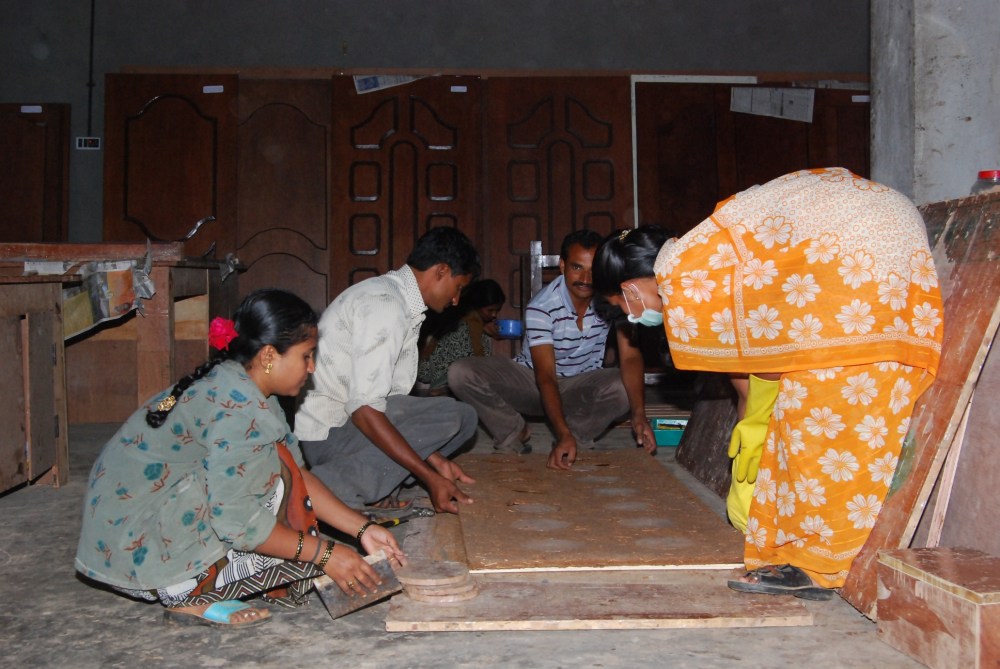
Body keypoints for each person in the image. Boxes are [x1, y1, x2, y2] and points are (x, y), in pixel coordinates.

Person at [592, 167, 943, 599]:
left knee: (823, 420)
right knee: (831, 406)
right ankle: (811, 554)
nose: (633, 317)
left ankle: (816, 565)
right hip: (884, 233)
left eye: (626, 306)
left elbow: (752, 382)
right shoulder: (699, 253)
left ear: (629, 288)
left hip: (861, 250)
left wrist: (756, 468)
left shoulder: (685, 278)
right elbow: (764, 368)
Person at [75, 289, 406, 629]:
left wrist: (363, 528)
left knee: (280, 480)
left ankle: (208, 569)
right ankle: (186, 593)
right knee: (274, 509)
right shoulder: (239, 412)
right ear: (268, 356)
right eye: (306, 355)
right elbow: (238, 522)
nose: (311, 367)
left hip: (124, 534)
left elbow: (298, 476)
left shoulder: (242, 386)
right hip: (133, 551)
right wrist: (325, 553)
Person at [295, 226, 481, 515]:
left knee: (465, 420)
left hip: (346, 428)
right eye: (458, 288)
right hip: (330, 437)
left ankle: (374, 486)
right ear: (441, 271)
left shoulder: (396, 298)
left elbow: (389, 405)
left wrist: (434, 459)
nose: (456, 300)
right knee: (455, 414)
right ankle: (330, 486)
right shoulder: (385, 306)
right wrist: (429, 477)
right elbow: (365, 410)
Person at [448, 229, 657, 469]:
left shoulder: (612, 300)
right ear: (562, 266)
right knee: (460, 373)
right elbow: (546, 377)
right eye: (577, 268)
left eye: (593, 270)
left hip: (580, 386)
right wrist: (560, 433)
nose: (586, 279)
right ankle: (513, 431)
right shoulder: (542, 307)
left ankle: (577, 436)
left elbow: (630, 357)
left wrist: (639, 414)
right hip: (532, 384)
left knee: (624, 386)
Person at [416, 278, 506, 394]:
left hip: (432, 388)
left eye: (497, 311)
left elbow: (425, 372)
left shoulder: (450, 319)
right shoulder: (474, 328)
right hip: (456, 390)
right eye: (490, 310)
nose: (494, 315)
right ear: (477, 305)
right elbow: (481, 365)